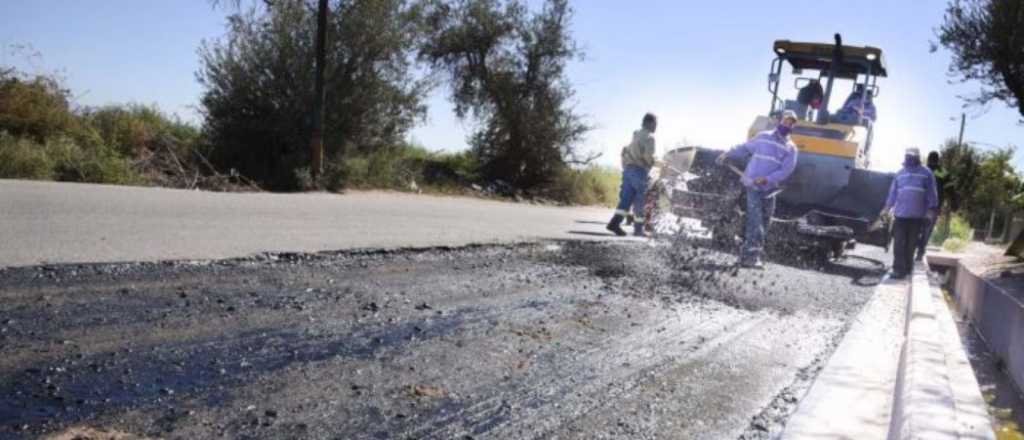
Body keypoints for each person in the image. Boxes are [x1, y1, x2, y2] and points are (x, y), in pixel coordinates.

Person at [715, 110, 799, 268]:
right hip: (753, 186)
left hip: (770, 189)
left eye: (791, 122)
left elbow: (786, 170)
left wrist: (767, 179)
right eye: (786, 121)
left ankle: (751, 254)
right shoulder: (763, 137)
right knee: (755, 221)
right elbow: (744, 148)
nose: (788, 124)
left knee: (765, 223)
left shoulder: (791, 148)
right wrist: (727, 153)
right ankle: (750, 258)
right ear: (780, 121)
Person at [882, 147, 938, 279]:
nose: (910, 158)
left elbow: (932, 193)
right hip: (900, 215)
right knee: (898, 243)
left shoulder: (927, 173)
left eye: (913, 156)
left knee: (911, 244)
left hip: (917, 217)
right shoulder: (900, 174)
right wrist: (886, 208)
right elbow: (893, 193)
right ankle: (898, 269)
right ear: (905, 157)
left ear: (918, 157)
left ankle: (907, 268)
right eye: (908, 156)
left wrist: (930, 211)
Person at [607, 113, 657, 237]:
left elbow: (631, 151)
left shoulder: (636, 134)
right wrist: (654, 163)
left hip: (628, 170)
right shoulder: (650, 138)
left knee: (626, 200)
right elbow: (647, 157)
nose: (656, 126)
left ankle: (614, 223)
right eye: (655, 123)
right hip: (639, 171)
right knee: (640, 201)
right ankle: (638, 230)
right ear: (649, 123)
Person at [916, 151, 946, 261]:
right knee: (927, 229)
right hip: (934, 206)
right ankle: (920, 250)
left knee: (917, 226)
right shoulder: (943, 172)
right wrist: (954, 203)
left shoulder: (923, 169)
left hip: (920, 204)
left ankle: (917, 247)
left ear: (928, 159)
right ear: (938, 160)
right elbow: (950, 189)